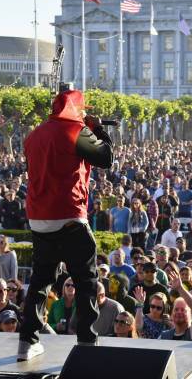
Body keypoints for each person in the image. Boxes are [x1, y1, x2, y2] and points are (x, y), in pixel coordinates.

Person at [20, 89, 113, 361]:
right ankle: (86, 340)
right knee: (86, 280)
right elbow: (106, 158)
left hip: (39, 217)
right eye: (82, 109)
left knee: (40, 281)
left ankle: (27, 342)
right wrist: (96, 129)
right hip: (69, 214)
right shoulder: (76, 130)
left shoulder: (34, 134)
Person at [159, 271, 192, 341]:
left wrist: (180, 288)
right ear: (171, 314)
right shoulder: (164, 336)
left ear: (190, 314)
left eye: (183, 310)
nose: (179, 312)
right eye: (176, 309)